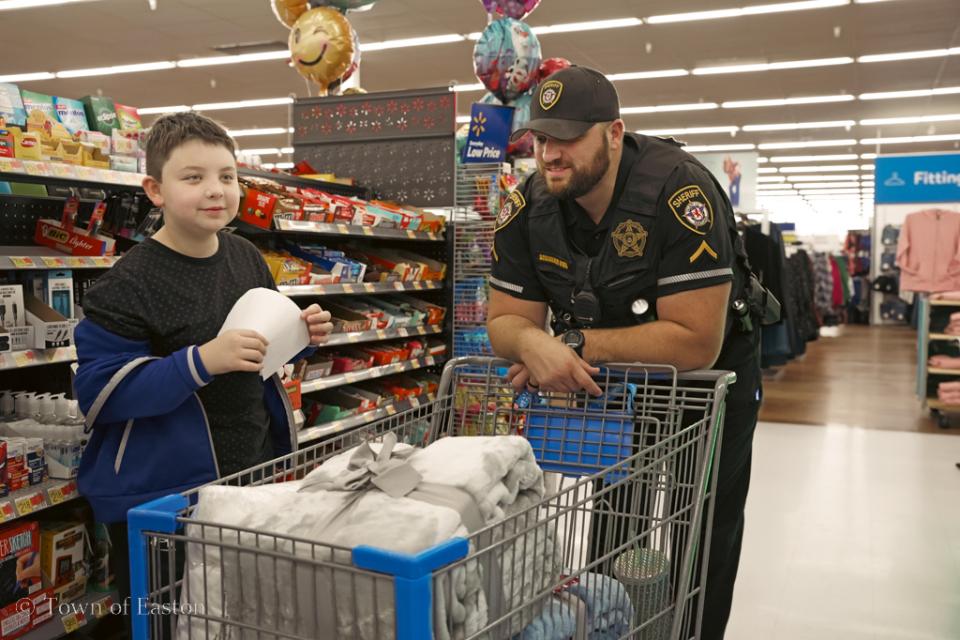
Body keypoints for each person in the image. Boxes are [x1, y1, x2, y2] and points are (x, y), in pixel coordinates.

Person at [487, 66, 769, 639]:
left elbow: (693, 340)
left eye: (567, 137)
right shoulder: (528, 208)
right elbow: (503, 321)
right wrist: (530, 342)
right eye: (541, 138)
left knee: (702, 523)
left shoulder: (680, 192)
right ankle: (615, 626)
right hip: (616, 379)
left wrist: (565, 343)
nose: (549, 154)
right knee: (618, 515)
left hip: (710, 379)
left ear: (614, 134)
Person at [72, 112, 334, 623]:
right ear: (155, 189)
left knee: (244, 615)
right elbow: (101, 393)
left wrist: (300, 335)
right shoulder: (127, 283)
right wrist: (202, 360)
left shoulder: (245, 257)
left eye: (227, 177)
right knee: (172, 620)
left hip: (249, 477)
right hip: (167, 500)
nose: (216, 191)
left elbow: (256, 351)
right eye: (193, 178)